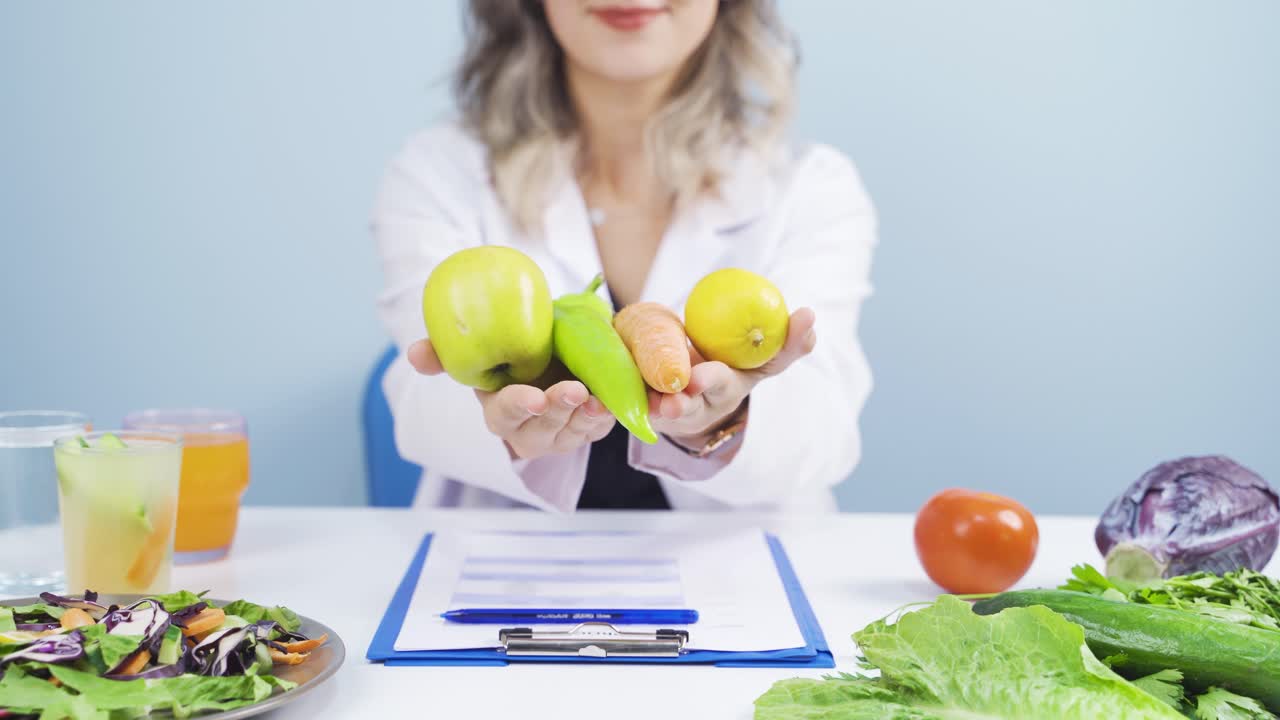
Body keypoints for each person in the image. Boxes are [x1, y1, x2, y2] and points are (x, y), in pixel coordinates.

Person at [373, 0, 876, 511]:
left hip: (738, 567)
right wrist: (506, 431)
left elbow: (825, 429)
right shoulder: (439, 173)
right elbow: (421, 400)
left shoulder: (810, 184)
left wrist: (721, 421)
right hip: (507, 560)